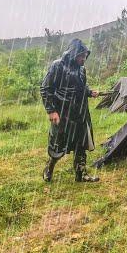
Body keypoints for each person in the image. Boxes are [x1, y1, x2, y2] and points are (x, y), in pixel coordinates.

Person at [40, 38, 100, 183]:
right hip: (62, 113)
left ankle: (81, 174)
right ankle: (49, 168)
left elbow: (80, 87)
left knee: (81, 144)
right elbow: (45, 89)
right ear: (73, 54)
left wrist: (89, 92)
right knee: (58, 145)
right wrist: (51, 110)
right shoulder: (58, 66)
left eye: (85, 56)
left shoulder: (81, 69)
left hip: (80, 112)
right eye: (81, 55)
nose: (83, 58)